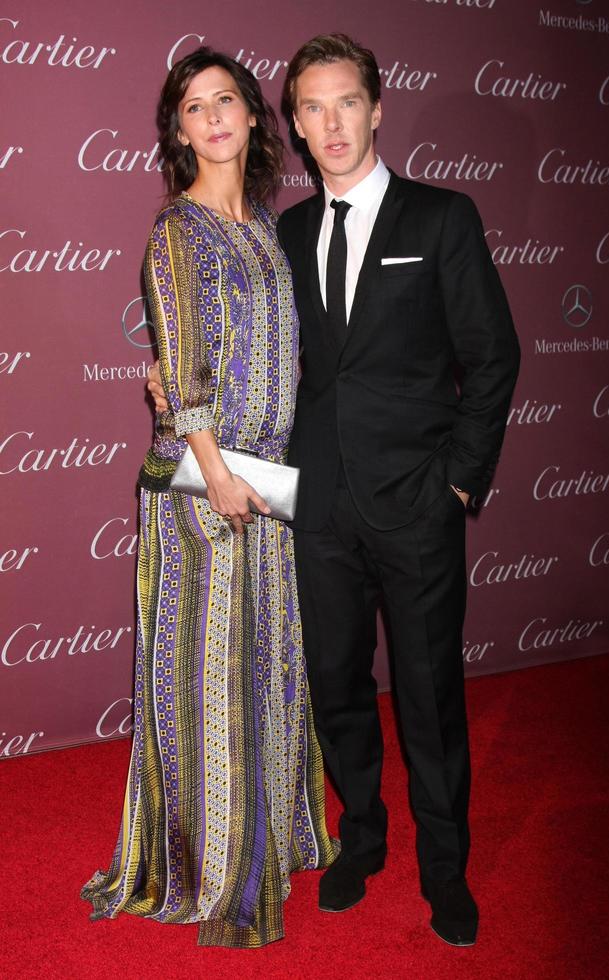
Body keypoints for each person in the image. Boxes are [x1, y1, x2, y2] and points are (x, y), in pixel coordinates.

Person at [149, 32, 520, 947]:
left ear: (376, 108)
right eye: (310, 108)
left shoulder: (443, 218)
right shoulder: (287, 232)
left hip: (419, 505)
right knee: (337, 688)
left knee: (431, 697)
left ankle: (445, 868)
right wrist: (165, 379)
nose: (330, 123)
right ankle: (360, 839)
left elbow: (493, 356)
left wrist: (461, 486)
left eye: (345, 101)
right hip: (315, 510)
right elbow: (235, 343)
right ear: (298, 129)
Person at [81, 47, 337, 949]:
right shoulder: (175, 232)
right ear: (179, 130)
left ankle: (272, 830)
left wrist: (254, 480)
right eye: (194, 108)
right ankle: (212, 862)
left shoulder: (268, 225)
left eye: (227, 100)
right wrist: (217, 472)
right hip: (202, 488)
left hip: (262, 487)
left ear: (253, 118)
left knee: (265, 662)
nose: (214, 117)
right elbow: (180, 366)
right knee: (207, 677)